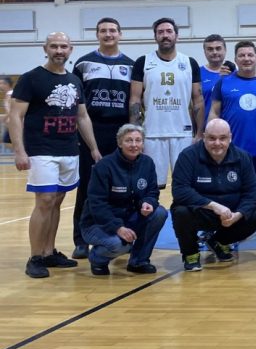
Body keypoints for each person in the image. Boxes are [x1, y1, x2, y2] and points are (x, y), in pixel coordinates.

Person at [9, 32, 102, 278]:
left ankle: (49, 252)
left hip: (69, 150)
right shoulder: (31, 78)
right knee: (45, 201)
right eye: (54, 46)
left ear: (70, 49)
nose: (59, 50)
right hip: (41, 150)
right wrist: (19, 151)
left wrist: (93, 147)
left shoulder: (74, 80)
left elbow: (82, 117)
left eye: (63, 46)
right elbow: (15, 116)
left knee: (57, 201)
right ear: (45, 49)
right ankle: (35, 257)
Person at [208, 40, 256, 248]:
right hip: (231, 151)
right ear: (235, 59)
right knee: (231, 191)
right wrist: (210, 136)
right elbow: (214, 111)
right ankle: (230, 232)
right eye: (241, 55)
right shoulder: (223, 83)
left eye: (250, 55)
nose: (246, 59)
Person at [70, 17, 135, 260]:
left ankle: (121, 234)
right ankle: (80, 240)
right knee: (87, 186)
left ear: (120, 34)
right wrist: (88, 142)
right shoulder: (83, 63)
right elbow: (76, 105)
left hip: (120, 131)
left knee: (121, 186)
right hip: (91, 131)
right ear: (97, 34)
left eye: (112, 30)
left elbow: (135, 102)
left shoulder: (131, 65)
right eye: (103, 31)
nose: (108, 34)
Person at [170, 119, 256, 271]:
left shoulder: (243, 157)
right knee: (181, 211)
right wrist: (214, 206)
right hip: (201, 212)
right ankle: (190, 254)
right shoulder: (188, 156)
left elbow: (251, 193)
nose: (217, 143)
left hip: (230, 214)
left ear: (230, 138)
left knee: (255, 216)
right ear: (204, 137)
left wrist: (238, 215)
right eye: (212, 138)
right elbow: (180, 190)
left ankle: (218, 241)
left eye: (222, 138)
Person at [80, 124, 167, 275]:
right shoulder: (104, 166)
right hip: (97, 224)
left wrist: (147, 203)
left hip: (128, 218)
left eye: (138, 140)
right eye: (129, 140)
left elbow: (152, 192)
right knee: (119, 245)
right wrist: (118, 228)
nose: (134, 145)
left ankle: (138, 262)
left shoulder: (147, 163)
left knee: (159, 213)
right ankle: (97, 258)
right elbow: (97, 205)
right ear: (120, 143)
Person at [129, 17, 205, 188]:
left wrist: (199, 134)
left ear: (176, 36)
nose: (165, 35)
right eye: (160, 32)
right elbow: (134, 100)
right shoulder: (143, 62)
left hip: (183, 133)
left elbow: (198, 100)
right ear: (155, 36)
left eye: (169, 31)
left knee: (185, 183)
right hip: (152, 133)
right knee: (153, 185)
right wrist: (135, 133)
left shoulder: (189, 63)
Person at [199, 34, 236, 130]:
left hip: (232, 128)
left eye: (218, 48)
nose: (214, 52)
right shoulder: (197, 73)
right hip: (207, 129)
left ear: (225, 50)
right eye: (210, 49)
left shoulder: (236, 74)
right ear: (204, 52)